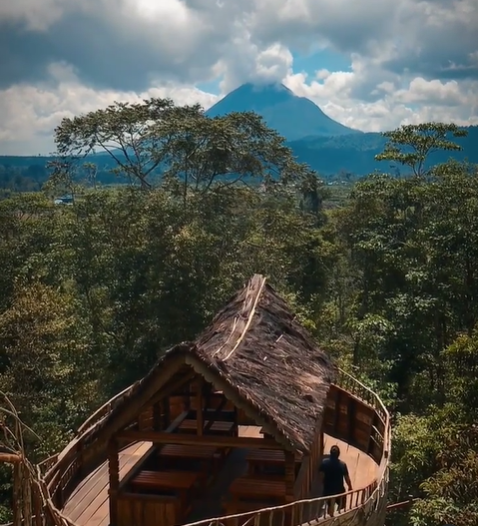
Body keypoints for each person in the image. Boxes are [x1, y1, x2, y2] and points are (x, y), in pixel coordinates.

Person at [318, 445, 352, 516]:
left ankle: (329, 518)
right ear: (338, 454)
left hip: (328, 490)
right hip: (339, 490)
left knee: (329, 506)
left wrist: (323, 484)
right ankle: (339, 517)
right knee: (341, 506)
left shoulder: (324, 463)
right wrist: (350, 487)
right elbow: (346, 478)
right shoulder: (342, 465)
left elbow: (321, 476)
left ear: (330, 453)